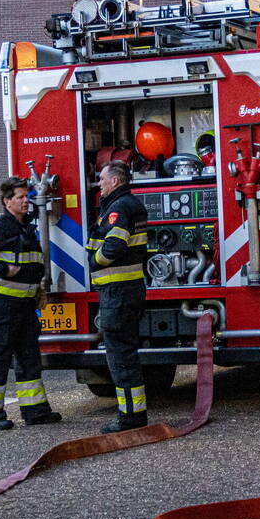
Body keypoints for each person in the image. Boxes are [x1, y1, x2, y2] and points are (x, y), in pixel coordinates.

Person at [0, 177, 62, 430]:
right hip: (2, 306)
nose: (25, 201)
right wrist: (1, 269)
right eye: (20, 197)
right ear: (7, 201)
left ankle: (36, 411)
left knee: (29, 359)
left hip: (26, 306)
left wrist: (37, 287)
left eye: (26, 197)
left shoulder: (27, 227)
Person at [87, 161, 150, 433]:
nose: (99, 184)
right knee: (126, 355)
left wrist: (95, 262)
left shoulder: (119, 208)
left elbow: (115, 244)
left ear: (115, 181)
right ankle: (133, 413)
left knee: (120, 358)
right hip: (128, 290)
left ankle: (130, 417)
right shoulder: (127, 204)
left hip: (117, 292)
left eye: (102, 179)